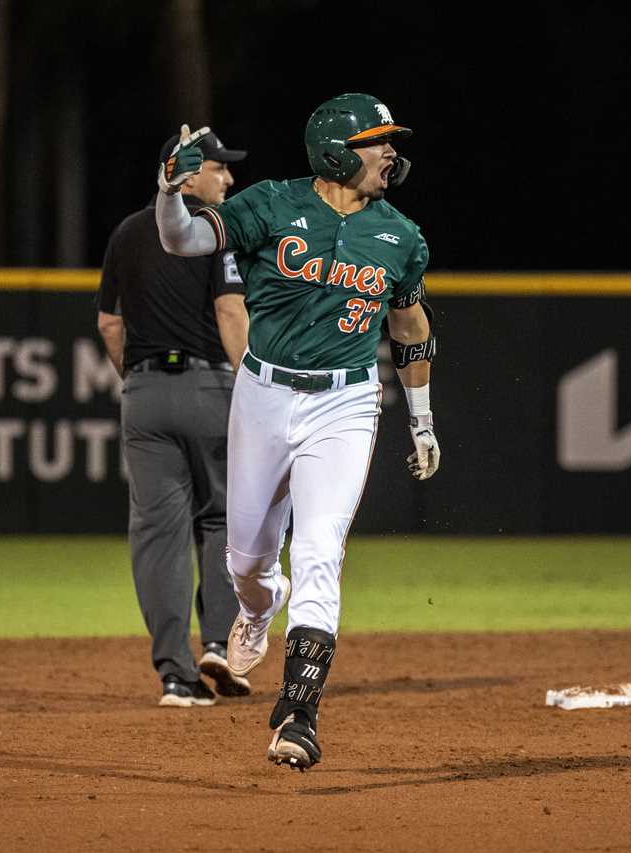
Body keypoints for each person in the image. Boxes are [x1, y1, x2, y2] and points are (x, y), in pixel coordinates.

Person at [154, 94, 440, 770]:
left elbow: (409, 327)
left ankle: (299, 712)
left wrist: (423, 419)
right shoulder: (271, 205)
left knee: (319, 549)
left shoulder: (402, 236)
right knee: (246, 560)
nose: (390, 152)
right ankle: (261, 603)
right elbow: (183, 239)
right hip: (262, 393)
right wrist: (169, 193)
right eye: (377, 141)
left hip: (345, 404)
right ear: (336, 150)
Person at [97, 128, 252, 706]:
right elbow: (231, 312)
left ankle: (175, 677)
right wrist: (252, 387)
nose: (228, 178)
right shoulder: (214, 234)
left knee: (158, 537)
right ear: (185, 174)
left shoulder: (126, 233)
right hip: (211, 385)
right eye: (218, 168)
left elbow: (110, 326)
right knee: (224, 521)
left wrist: (136, 382)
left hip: (144, 393)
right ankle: (218, 642)